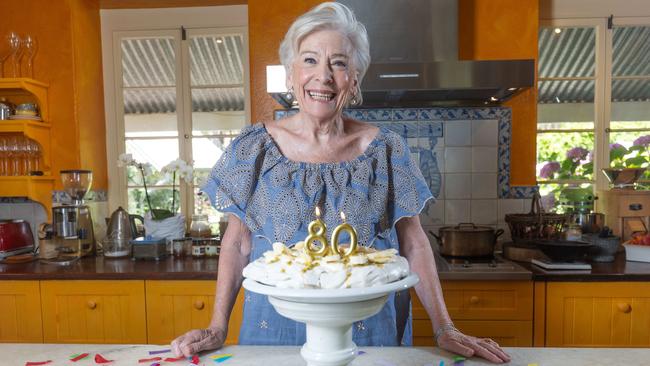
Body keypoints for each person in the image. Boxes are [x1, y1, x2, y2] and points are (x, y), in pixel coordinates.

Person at [171, 2, 510, 363]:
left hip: (370, 338)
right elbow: (238, 244)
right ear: (290, 74)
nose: (324, 76)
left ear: (355, 79)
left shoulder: (386, 149)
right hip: (276, 335)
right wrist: (217, 327)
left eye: (339, 62)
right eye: (310, 60)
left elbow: (414, 244)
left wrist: (445, 327)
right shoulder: (254, 148)